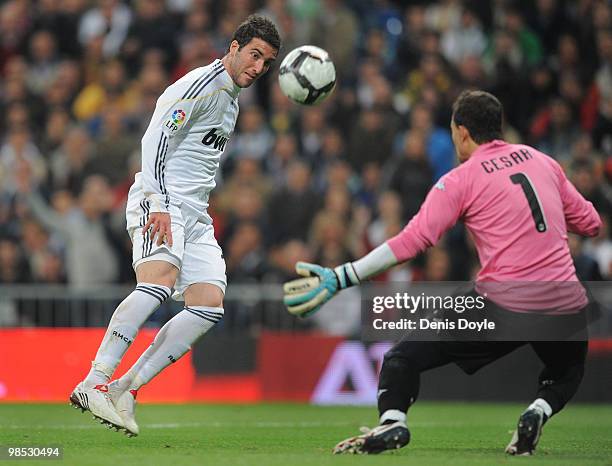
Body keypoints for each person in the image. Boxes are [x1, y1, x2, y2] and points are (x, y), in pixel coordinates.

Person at [283, 90, 601, 456]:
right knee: (568, 370)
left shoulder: (460, 180)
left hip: (503, 303)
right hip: (565, 300)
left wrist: (343, 276)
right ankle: (537, 412)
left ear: (462, 132)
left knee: (401, 358)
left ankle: (392, 423)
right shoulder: (543, 161)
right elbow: (591, 223)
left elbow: (412, 241)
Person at [70, 15, 280, 437]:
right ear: (234, 47)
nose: (259, 68)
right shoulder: (202, 84)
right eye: (254, 55)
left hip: (195, 213)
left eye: (267, 62)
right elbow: (155, 140)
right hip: (158, 199)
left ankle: (126, 389)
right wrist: (161, 204)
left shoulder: (232, 99)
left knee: (208, 302)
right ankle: (93, 381)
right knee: (159, 282)